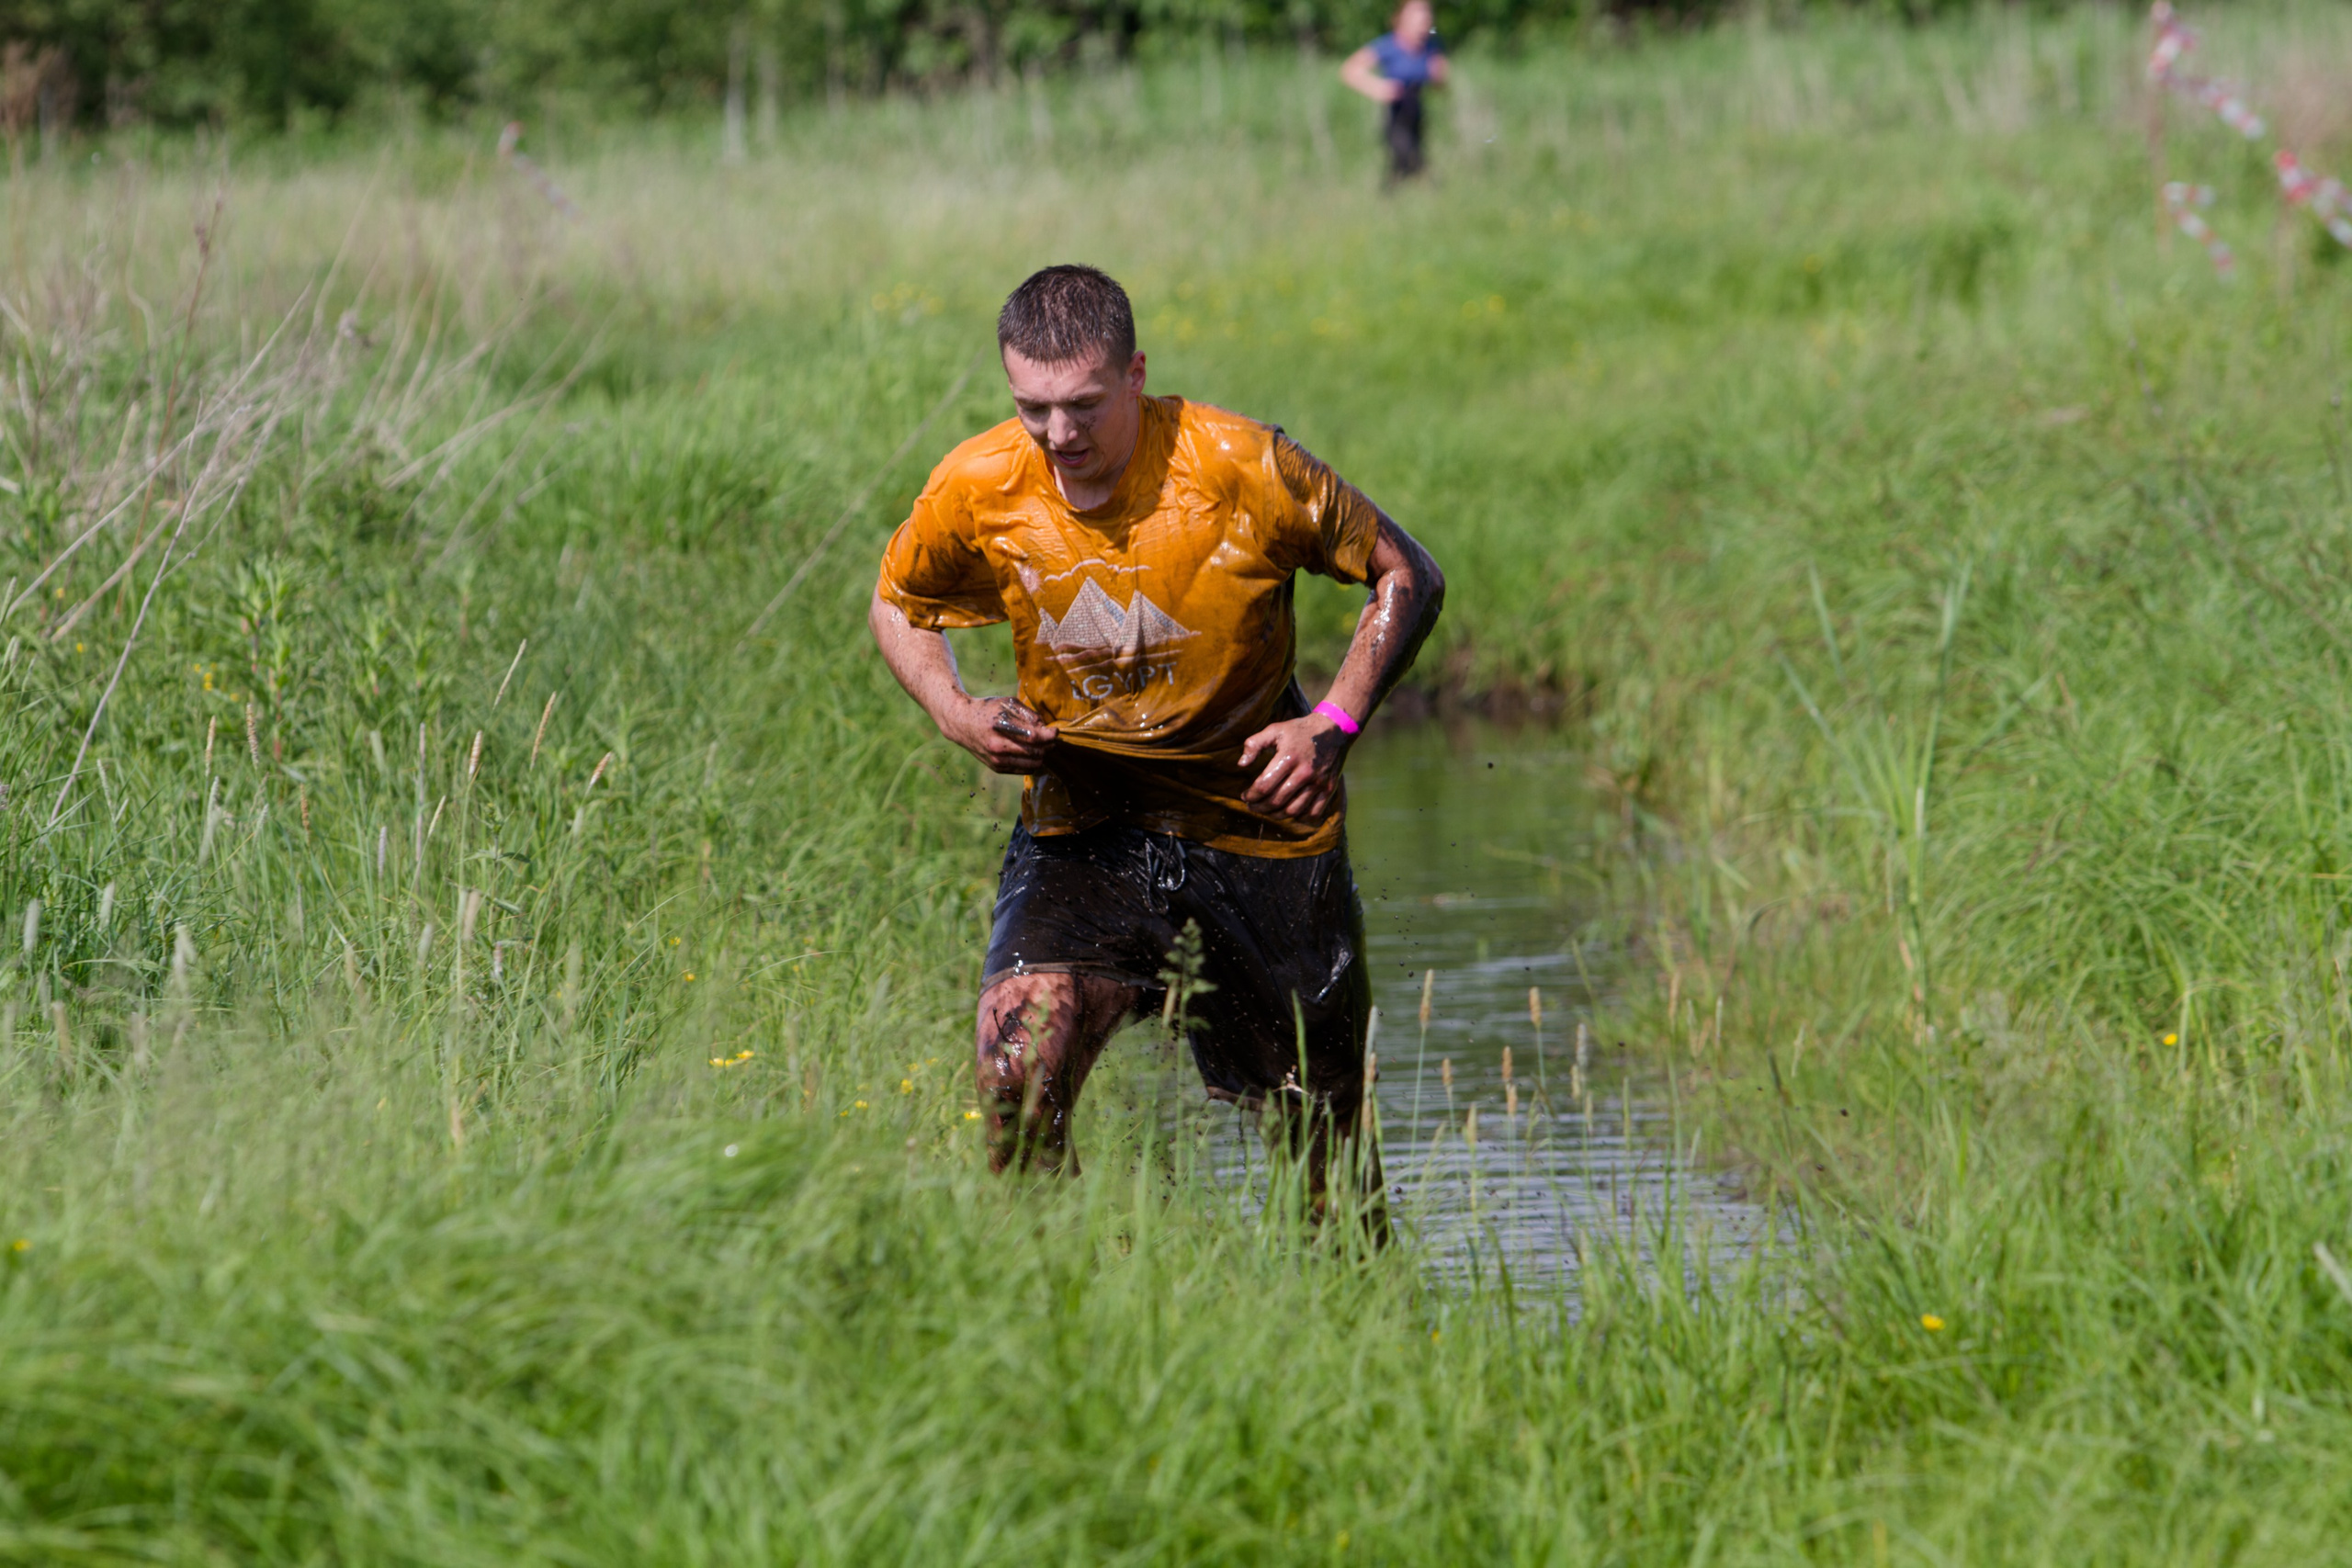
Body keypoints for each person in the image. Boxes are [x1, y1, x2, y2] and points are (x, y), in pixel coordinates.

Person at [869, 265, 1444, 1220]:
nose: (1059, 434)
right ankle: (1077, 1293)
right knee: (1015, 1079)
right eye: (1032, 407)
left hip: (1261, 832)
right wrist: (956, 711)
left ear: (1135, 376)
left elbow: (1406, 574)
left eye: (1084, 404)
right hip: (1085, 831)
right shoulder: (980, 483)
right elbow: (898, 603)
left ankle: (1352, 1301)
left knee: (1327, 1173)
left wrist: (1333, 723)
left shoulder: (1241, 465)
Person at [1340, 0, 1449, 185]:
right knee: (1407, 156)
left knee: (1407, 161)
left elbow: (1440, 86)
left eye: (1426, 15)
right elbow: (1349, 70)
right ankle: (1425, 188)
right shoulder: (1389, 45)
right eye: (1417, 14)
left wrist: (1439, 77)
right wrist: (1377, 88)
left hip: (1417, 110)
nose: (1423, 20)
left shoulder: (1431, 47)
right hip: (1396, 113)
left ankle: (1395, 194)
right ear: (1402, 18)